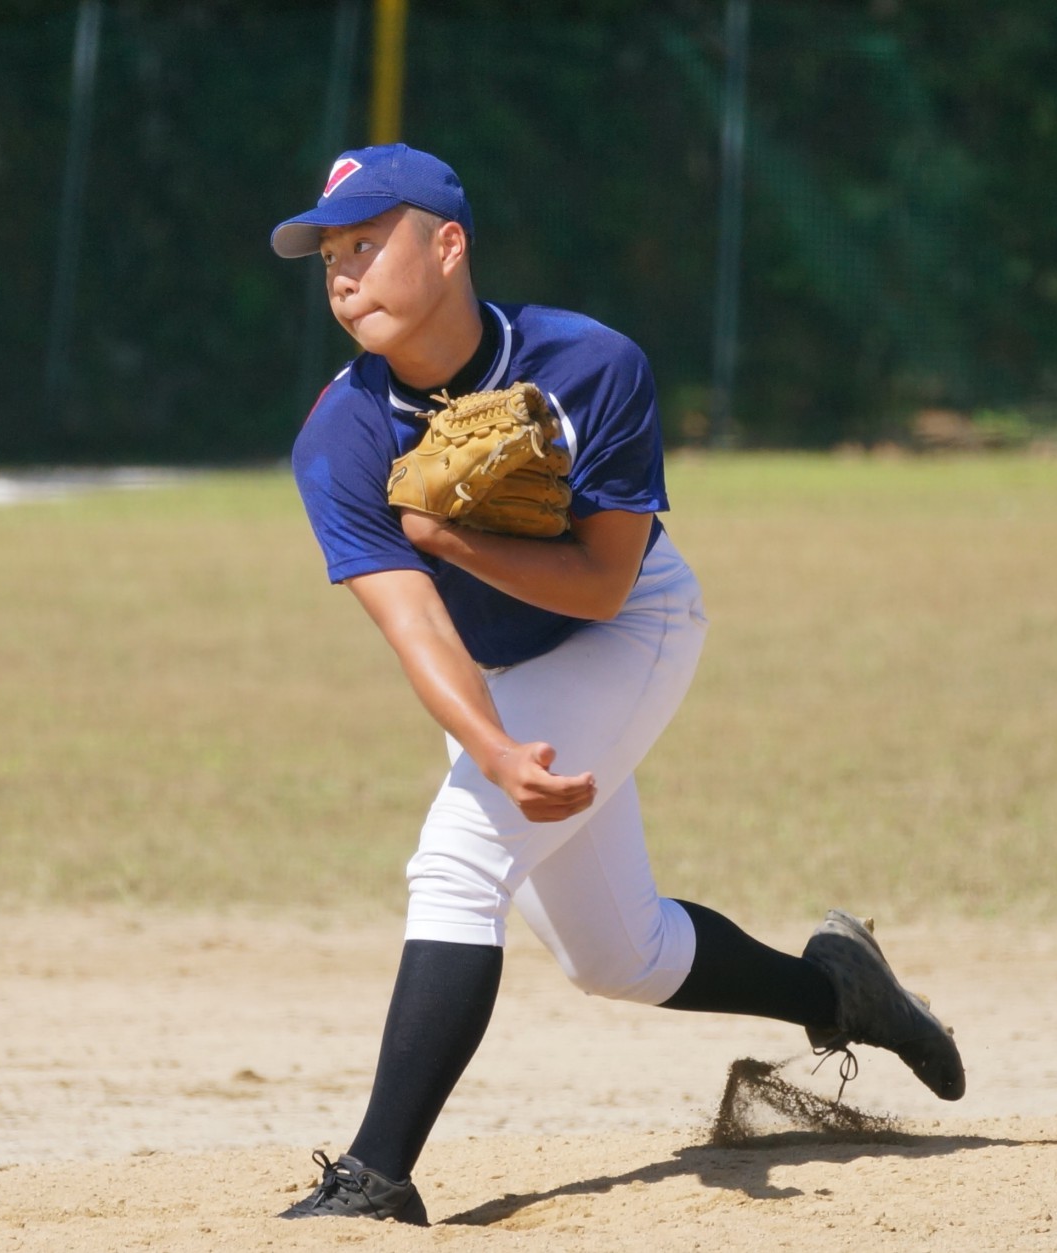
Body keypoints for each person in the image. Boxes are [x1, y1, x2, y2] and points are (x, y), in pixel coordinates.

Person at [269, 143, 964, 1226]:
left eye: (368, 240)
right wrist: (494, 745)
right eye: (328, 255)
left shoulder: (591, 365)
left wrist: (452, 541)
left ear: (447, 245)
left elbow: (600, 583)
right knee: (619, 955)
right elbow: (415, 629)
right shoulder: (339, 435)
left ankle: (375, 1179)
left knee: (457, 864)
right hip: (497, 667)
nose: (343, 271)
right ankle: (842, 991)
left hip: (629, 624)